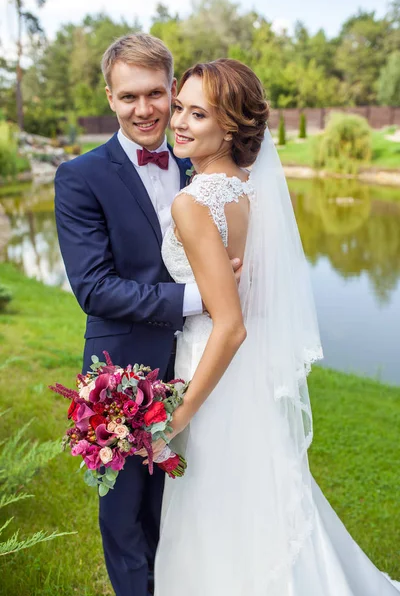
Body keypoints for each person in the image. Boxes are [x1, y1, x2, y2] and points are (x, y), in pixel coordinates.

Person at [134, 58, 400, 595]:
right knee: (264, 499)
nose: (179, 122)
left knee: (220, 509)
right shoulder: (250, 188)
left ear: (229, 126)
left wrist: (177, 415)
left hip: (212, 370)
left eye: (198, 113)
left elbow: (230, 325)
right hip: (244, 377)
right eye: (179, 107)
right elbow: (250, 295)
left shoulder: (192, 202)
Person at [54, 34, 242, 596]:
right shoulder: (80, 177)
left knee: (185, 512)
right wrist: (201, 297)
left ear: (172, 89)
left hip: (200, 366)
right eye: (129, 96)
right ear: (110, 97)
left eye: (157, 93)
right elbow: (94, 287)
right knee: (125, 519)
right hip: (122, 374)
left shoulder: (200, 163)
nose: (145, 110)